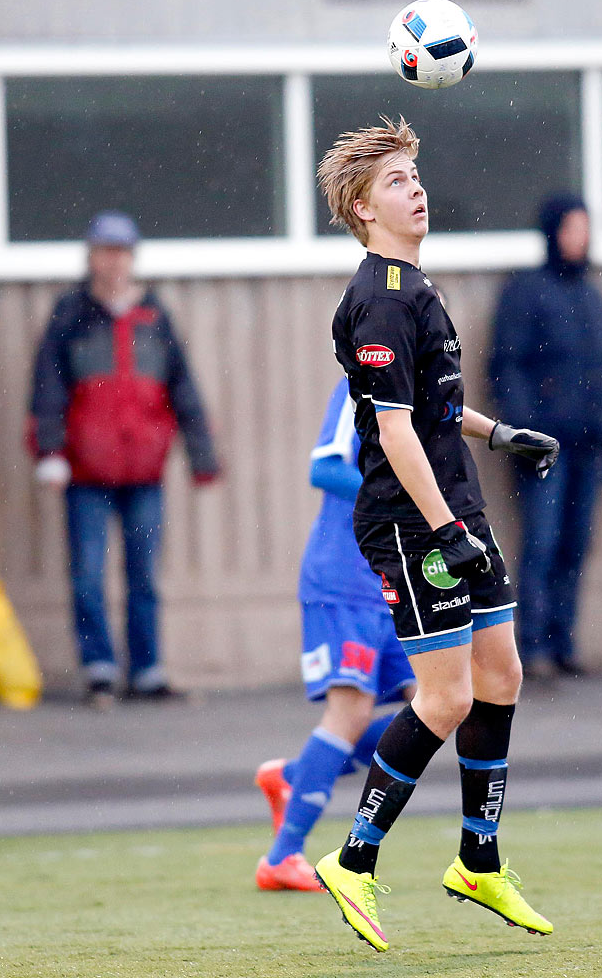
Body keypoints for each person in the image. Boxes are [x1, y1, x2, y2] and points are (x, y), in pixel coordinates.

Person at [311, 116, 561, 952]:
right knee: (447, 695)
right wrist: (446, 527)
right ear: (360, 205)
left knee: (502, 675)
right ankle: (352, 860)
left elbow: (437, 411)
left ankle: (478, 861)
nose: (415, 189)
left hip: (456, 507)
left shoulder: (417, 286)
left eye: (416, 176)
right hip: (412, 523)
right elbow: (391, 431)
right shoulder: (379, 298)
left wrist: (500, 435)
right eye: (395, 181)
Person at [27, 210, 219, 708]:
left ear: (132, 258)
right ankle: (100, 670)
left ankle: (148, 670)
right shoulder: (70, 315)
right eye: (103, 252)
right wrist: (48, 451)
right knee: (88, 572)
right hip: (86, 472)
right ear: (91, 257)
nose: (112, 262)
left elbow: (184, 390)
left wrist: (202, 457)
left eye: (121, 252)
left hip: (144, 471)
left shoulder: (155, 318)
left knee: (143, 574)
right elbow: (47, 387)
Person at [253, 379, 418, 892]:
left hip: (393, 579)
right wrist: (400, 497)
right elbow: (325, 467)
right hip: (344, 579)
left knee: (440, 702)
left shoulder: (426, 392)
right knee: (350, 710)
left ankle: (297, 775)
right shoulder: (362, 387)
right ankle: (282, 857)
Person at [488, 194, 602, 678]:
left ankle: (564, 642)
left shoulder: (590, 294)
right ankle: (532, 645)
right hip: (547, 446)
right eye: (572, 228)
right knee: (541, 543)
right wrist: (527, 436)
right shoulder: (526, 291)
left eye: (585, 228)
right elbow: (507, 367)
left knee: (576, 542)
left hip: (590, 441)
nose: (580, 238)